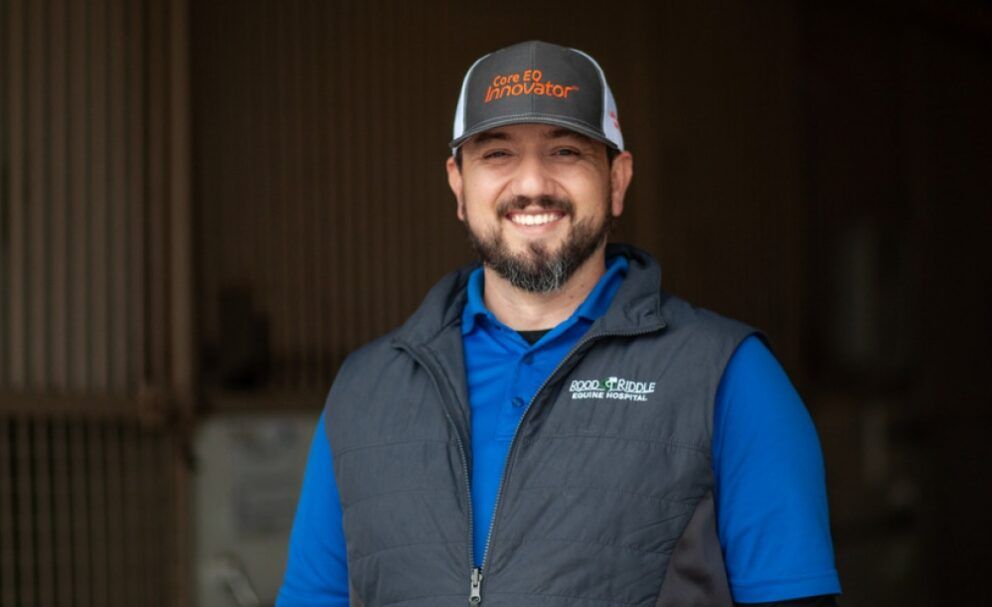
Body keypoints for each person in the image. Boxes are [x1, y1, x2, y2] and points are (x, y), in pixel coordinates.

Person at [277, 40, 841, 607]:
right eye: (497, 154)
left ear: (617, 180)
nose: (531, 185)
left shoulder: (728, 376)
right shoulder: (365, 390)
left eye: (566, 151)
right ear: (458, 183)